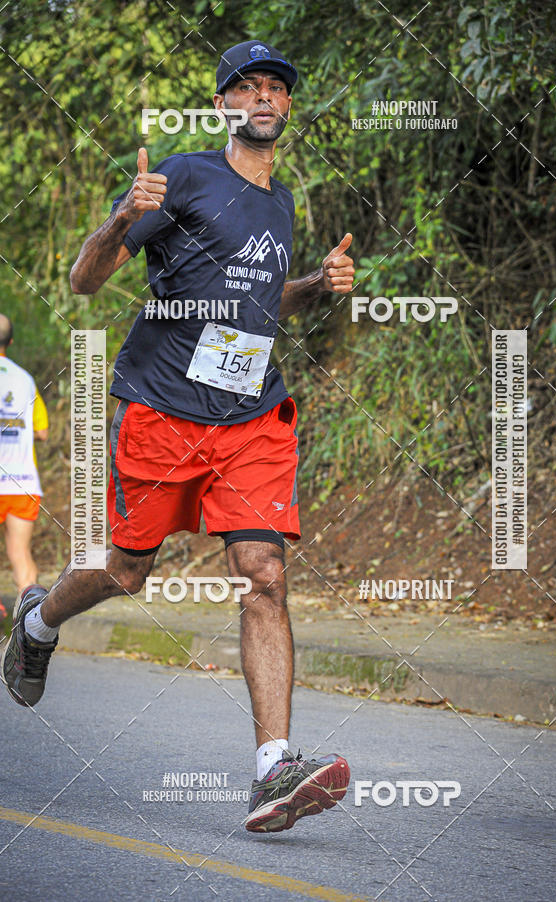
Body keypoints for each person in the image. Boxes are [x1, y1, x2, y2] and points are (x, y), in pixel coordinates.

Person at [2, 40, 355, 833]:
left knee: (264, 573)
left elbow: (259, 304)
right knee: (126, 570)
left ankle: (273, 770)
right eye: (247, 87)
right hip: (163, 409)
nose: (263, 97)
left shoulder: (282, 202)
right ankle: (38, 621)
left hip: (250, 417)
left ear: (287, 106)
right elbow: (84, 279)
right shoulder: (185, 176)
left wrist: (312, 286)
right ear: (223, 104)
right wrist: (123, 216)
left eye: (275, 87)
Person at [0, 314, 48, 598]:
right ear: (11, 342)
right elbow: (42, 432)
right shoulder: (25, 379)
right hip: (22, 481)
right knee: (20, 554)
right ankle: (30, 616)